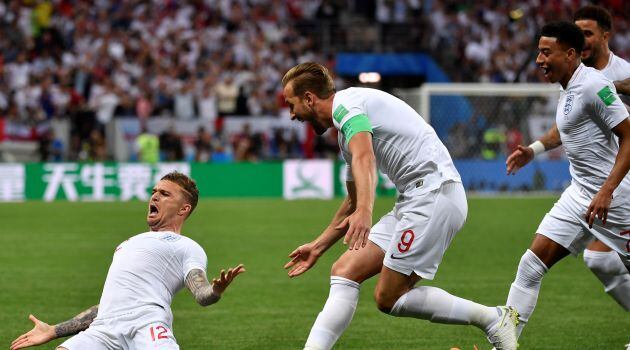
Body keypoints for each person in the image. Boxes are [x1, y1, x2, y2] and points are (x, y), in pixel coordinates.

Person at [281, 62, 519, 350]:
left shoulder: (348, 106)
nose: (292, 115)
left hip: (434, 194)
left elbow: (365, 159)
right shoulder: (346, 133)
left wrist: (366, 213)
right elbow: (354, 198)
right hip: (414, 198)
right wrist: (318, 246)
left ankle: (494, 319)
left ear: (309, 98)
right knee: (345, 269)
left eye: (292, 105)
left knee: (388, 297)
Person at [10, 172, 245, 350]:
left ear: (184, 209)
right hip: (103, 330)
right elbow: (110, 305)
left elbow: (202, 293)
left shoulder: (187, 247)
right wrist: (54, 330)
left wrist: (215, 290)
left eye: (165, 194)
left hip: (148, 326)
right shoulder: (128, 243)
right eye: (155, 191)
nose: (155, 196)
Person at [504, 21, 630, 344]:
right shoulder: (568, 86)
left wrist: (607, 190)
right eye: (538, 52)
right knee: (531, 264)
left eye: (546, 52)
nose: (539, 60)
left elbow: (629, 136)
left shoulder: (593, 85)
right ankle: (503, 341)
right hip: (579, 195)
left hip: (616, 201)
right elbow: (565, 129)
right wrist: (533, 150)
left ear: (570, 54)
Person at [572, 4, 630, 315]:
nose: (581, 40)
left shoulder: (620, 71)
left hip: (622, 181)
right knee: (598, 259)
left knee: (601, 258)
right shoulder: (577, 76)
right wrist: (536, 148)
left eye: (587, 33)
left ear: (606, 35)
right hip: (603, 183)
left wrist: (614, 87)